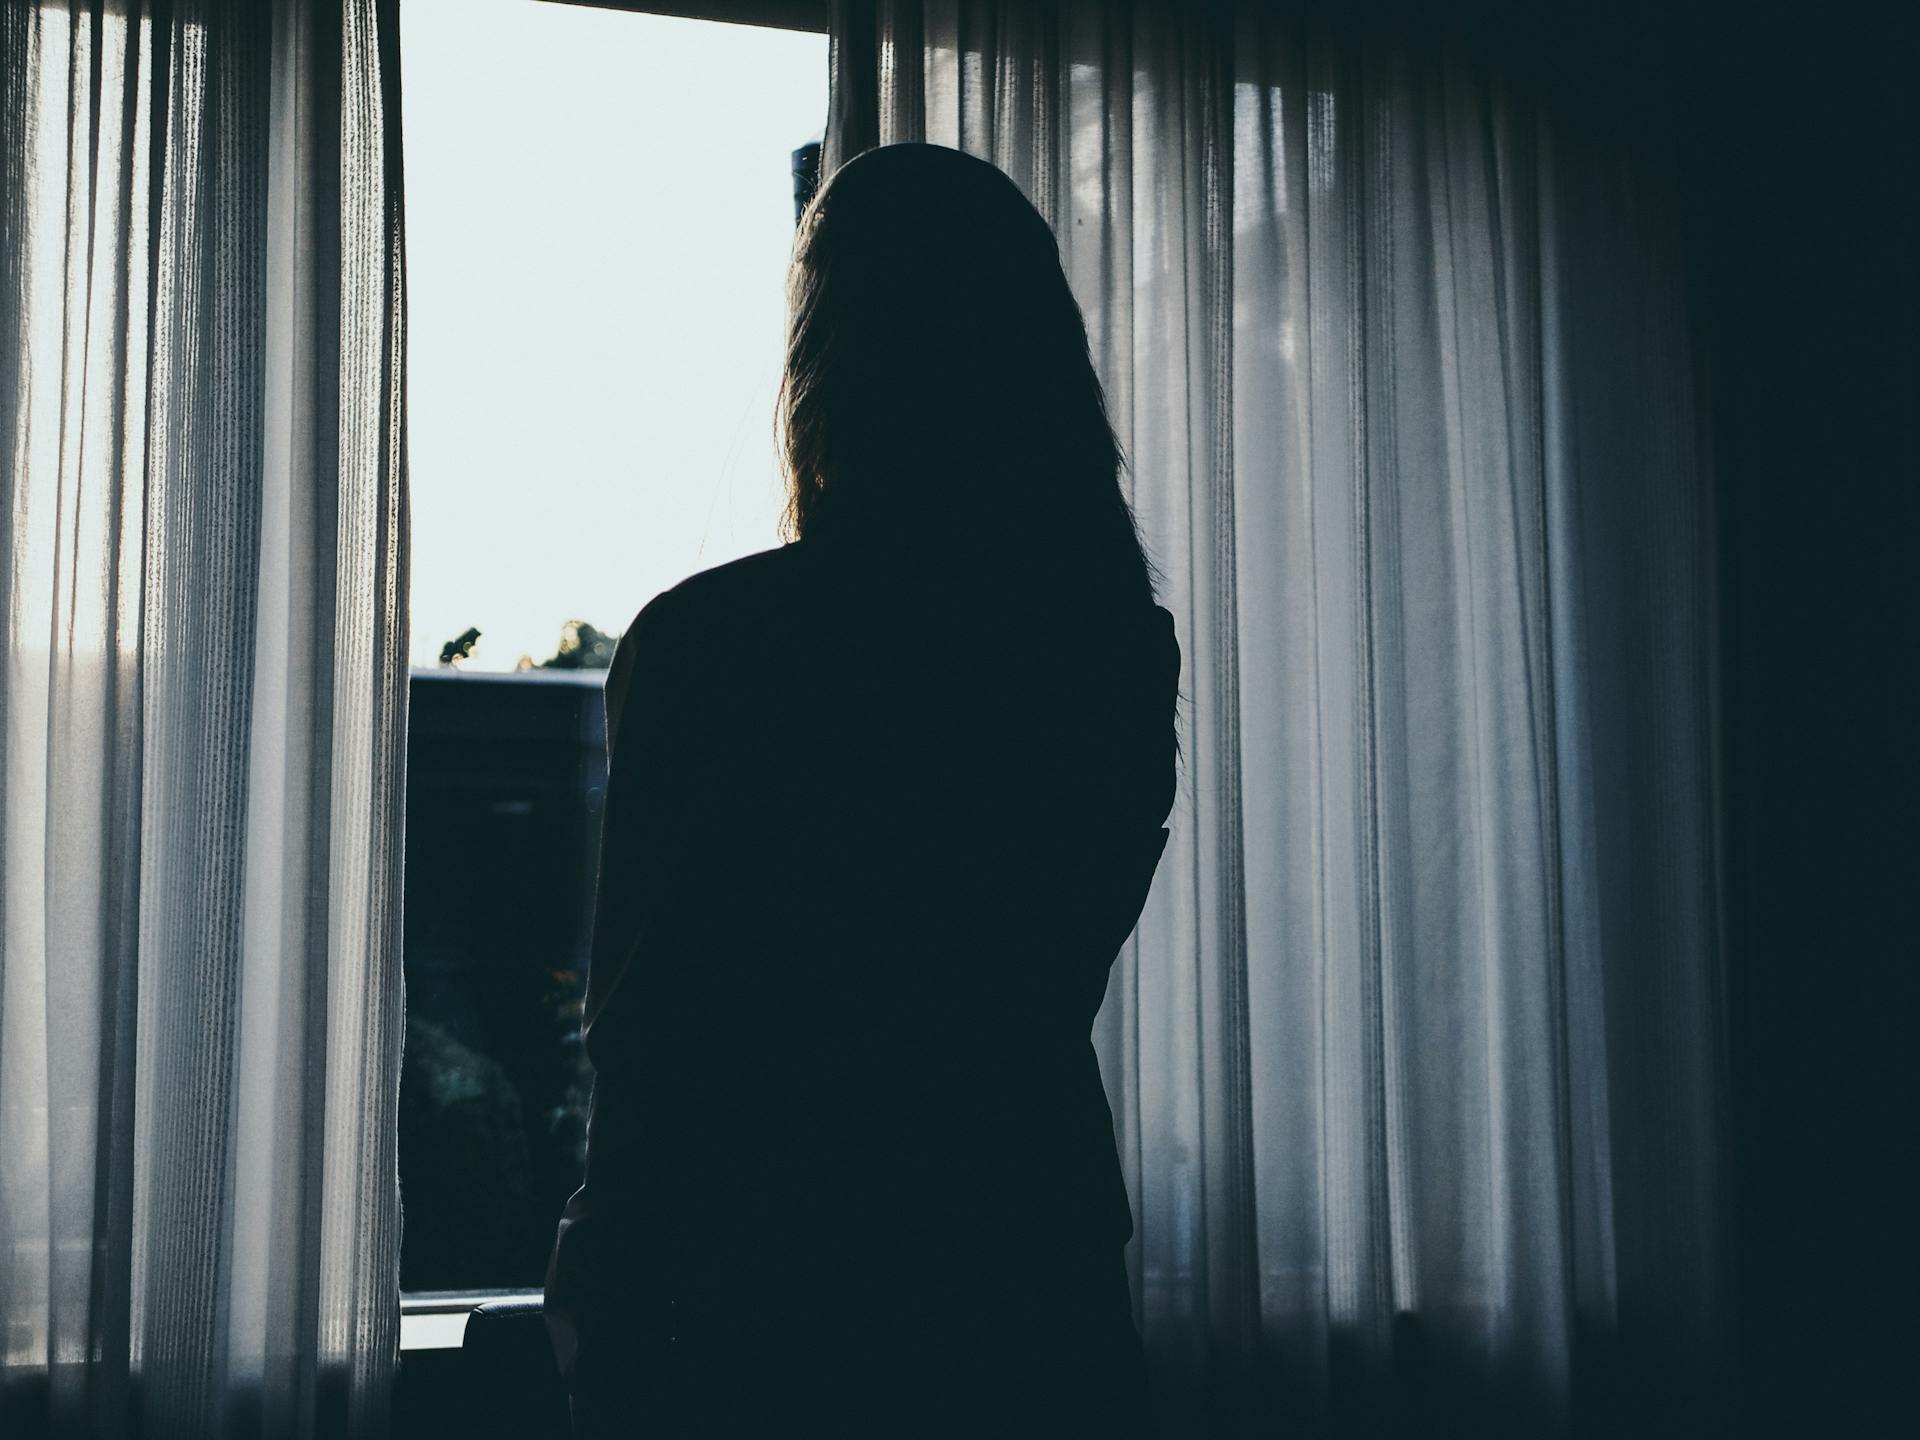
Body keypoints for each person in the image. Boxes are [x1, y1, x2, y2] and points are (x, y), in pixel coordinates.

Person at [544, 142, 1181, 1437]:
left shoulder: (715, 647)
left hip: (772, 1307)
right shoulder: (1111, 649)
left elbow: (657, 1049)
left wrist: (604, 1324)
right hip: (1028, 1283)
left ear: (826, 354)